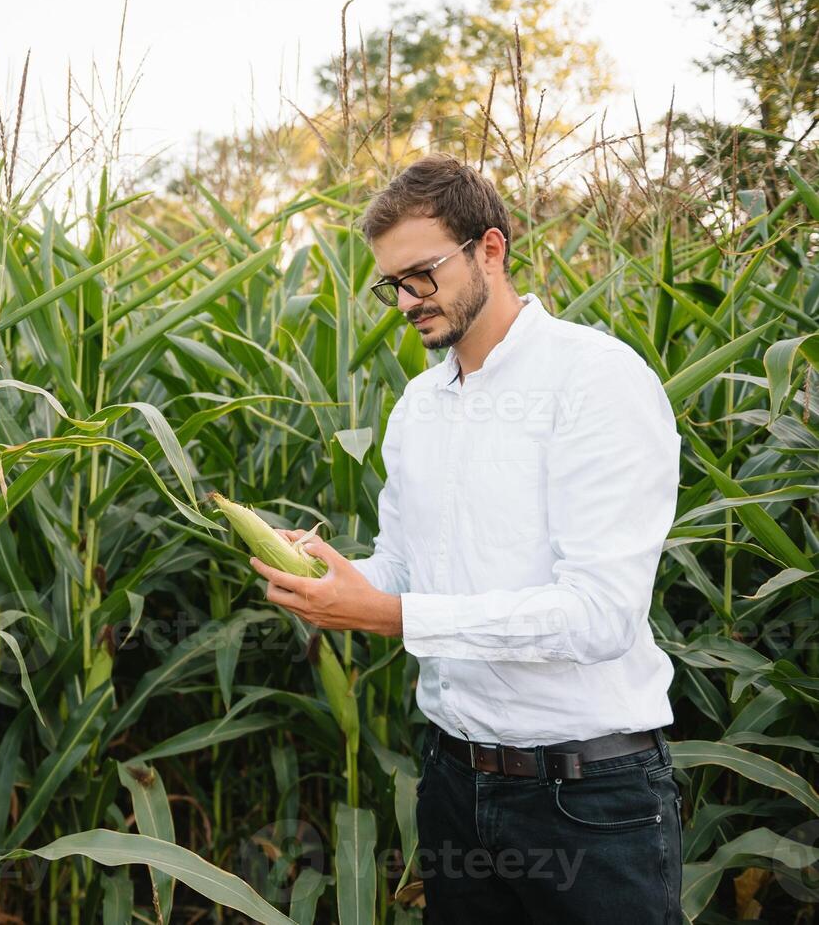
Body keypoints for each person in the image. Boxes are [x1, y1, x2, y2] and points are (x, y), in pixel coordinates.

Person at [248, 153, 683, 923]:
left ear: (491, 248)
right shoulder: (419, 405)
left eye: (423, 274)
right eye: (392, 284)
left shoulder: (595, 381)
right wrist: (334, 577)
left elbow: (600, 615)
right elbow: (406, 568)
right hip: (453, 783)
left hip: (587, 800)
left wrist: (394, 617)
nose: (407, 300)